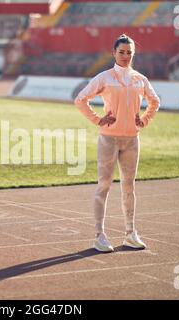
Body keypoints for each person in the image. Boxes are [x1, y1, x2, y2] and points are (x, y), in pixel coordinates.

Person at [74, 34, 160, 252]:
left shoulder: (140, 79)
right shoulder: (104, 77)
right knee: (104, 185)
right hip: (108, 139)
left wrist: (144, 119)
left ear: (133, 54)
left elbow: (155, 101)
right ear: (114, 53)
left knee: (129, 186)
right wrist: (97, 119)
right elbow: (80, 99)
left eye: (129, 52)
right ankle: (99, 235)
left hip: (132, 139)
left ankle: (130, 233)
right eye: (121, 52)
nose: (125, 56)